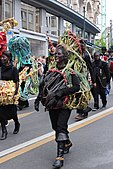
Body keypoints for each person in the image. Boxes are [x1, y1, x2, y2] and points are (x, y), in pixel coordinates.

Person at [34, 44, 80, 168]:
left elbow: (77, 87)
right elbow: (44, 86)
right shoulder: (51, 71)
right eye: (56, 54)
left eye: (59, 54)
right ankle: (67, 142)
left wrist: (61, 92)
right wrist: (39, 98)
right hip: (52, 105)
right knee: (56, 127)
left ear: (65, 56)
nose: (56, 55)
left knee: (60, 126)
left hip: (65, 105)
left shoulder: (70, 72)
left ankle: (59, 157)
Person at [0, 51, 20, 140]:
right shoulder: (0, 68)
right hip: (1, 94)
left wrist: (15, 92)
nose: (2, 58)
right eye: (2, 57)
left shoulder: (13, 69)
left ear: (8, 58)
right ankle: (4, 131)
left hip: (9, 93)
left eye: (4, 57)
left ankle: (16, 123)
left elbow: (17, 81)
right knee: (1, 112)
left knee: (12, 112)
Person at [75, 39, 96, 120]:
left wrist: (93, 81)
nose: (80, 46)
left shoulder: (86, 55)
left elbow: (91, 68)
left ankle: (82, 112)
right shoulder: (77, 54)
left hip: (84, 78)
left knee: (82, 94)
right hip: (77, 77)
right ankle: (82, 111)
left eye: (82, 44)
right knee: (78, 94)